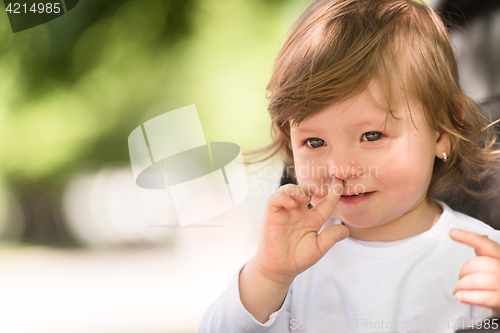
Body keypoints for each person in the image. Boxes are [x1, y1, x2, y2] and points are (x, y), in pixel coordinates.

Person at [197, 0, 500, 332]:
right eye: (314, 142)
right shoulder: (295, 262)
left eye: (371, 135)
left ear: (442, 130)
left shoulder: (481, 258)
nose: (339, 167)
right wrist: (268, 275)